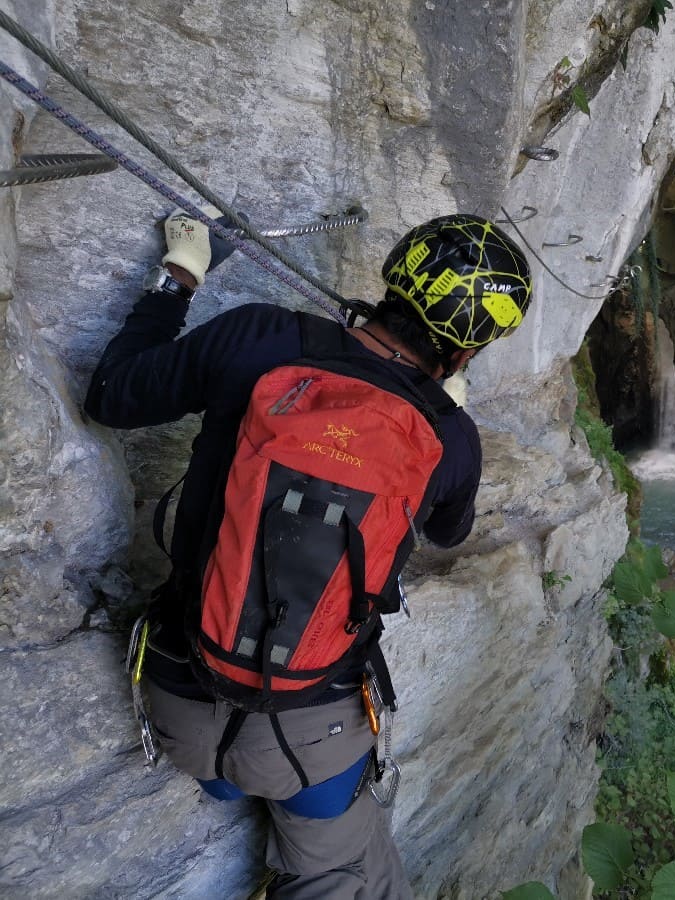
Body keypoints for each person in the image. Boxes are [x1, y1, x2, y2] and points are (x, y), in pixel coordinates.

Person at [85, 207, 532, 899]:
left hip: (180, 706)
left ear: (393, 277)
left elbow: (112, 395)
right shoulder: (450, 438)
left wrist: (179, 277)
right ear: (468, 352)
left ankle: (229, 788)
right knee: (352, 873)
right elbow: (448, 533)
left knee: (231, 781)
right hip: (309, 738)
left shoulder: (261, 336)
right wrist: (446, 416)